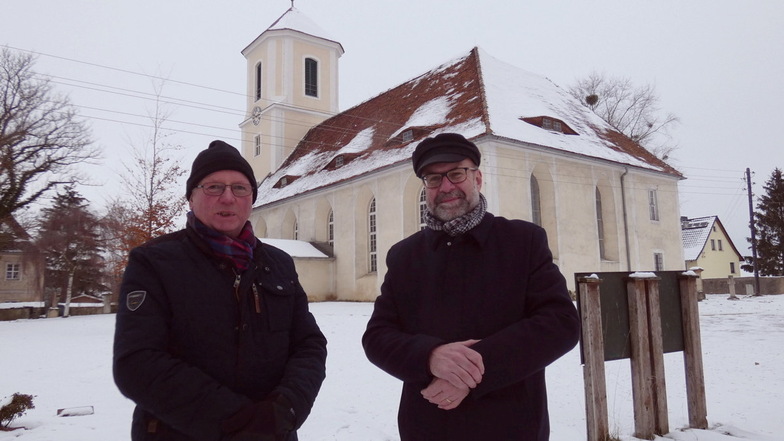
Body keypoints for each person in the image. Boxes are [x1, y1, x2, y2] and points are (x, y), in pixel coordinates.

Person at [362, 133, 580, 440]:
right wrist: (429, 356)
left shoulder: (522, 241)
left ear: (477, 178)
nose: (446, 186)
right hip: (428, 426)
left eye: (456, 173)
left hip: (511, 426)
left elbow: (560, 324)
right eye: (434, 179)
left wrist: (471, 372)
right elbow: (378, 337)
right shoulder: (404, 256)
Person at [113, 140, 327, 441]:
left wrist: (286, 409)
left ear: (251, 198)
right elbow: (137, 363)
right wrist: (237, 423)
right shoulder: (154, 262)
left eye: (240, 188)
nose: (228, 198)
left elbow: (309, 345)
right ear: (190, 198)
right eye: (213, 187)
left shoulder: (278, 264)